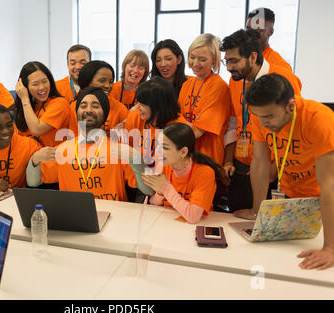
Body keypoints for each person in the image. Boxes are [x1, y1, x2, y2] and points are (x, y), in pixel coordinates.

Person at [242, 73, 334, 270]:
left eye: (268, 116)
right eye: (258, 116)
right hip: (294, 201)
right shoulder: (261, 116)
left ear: (290, 106)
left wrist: (330, 248)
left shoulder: (319, 119)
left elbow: (330, 185)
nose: (263, 122)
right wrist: (258, 214)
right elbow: (260, 163)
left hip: (326, 201)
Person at [220, 29, 302, 213]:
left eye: (234, 61)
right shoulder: (236, 80)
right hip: (247, 163)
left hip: (278, 170)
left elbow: (295, 128)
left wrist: (275, 166)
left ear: (252, 57)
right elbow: (236, 120)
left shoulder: (283, 78)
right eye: (227, 61)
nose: (228, 67)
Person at [27, 87, 133, 201]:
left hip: (114, 213)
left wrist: (136, 157)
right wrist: (34, 160)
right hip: (75, 213)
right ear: (77, 112)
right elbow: (33, 182)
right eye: (83, 106)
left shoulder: (121, 150)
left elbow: (144, 188)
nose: (88, 110)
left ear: (105, 112)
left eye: (95, 106)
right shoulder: (62, 150)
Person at [140, 123, 221, 223]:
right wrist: (160, 193)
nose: (157, 151)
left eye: (164, 147)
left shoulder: (205, 173)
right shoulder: (163, 164)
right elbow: (153, 202)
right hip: (168, 222)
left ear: (183, 152)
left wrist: (165, 188)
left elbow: (193, 216)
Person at [122, 77, 187, 191]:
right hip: (136, 183)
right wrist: (137, 182)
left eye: (143, 104)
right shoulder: (135, 117)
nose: (138, 108)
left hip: (165, 188)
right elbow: (125, 153)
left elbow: (177, 166)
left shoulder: (178, 127)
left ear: (158, 107)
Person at [177, 33, 231, 167]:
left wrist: (180, 126)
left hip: (207, 159)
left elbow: (197, 131)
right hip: (185, 158)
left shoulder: (219, 86)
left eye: (202, 59)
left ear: (213, 59)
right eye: (192, 57)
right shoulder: (187, 84)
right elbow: (175, 120)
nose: (195, 63)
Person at [13, 61, 70, 147]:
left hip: (55, 157)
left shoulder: (60, 103)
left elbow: (36, 129)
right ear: (25, 87)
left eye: (45, 81)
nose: (42, 87)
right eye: (35, 84)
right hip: (31, 157)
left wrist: (24, 98)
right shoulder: (26, 108)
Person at [246, 7, 302, 89]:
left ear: (271, 32)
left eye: (258, 30)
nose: (251, 34)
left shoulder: (281, 67)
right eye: (248, 29)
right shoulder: (239, 62)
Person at [68, 60, 128, 137]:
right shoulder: (74, 107)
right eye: (102, 81)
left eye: (110, 81)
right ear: (87, 82)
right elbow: (73, 139)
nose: (108, 86)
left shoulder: (120, 108)